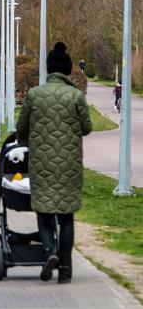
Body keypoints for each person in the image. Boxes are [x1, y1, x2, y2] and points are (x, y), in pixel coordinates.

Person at [17, 42, 92, 284]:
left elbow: (22, 131)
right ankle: (66, 270)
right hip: (69, 164)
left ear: (49, 70)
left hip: (41, 163)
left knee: (44, 211)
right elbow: (87, 128)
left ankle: (49, 252)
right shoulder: (76, 96)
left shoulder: (35, 95)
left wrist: (31, 141)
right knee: (67, 216)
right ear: (69, 70)